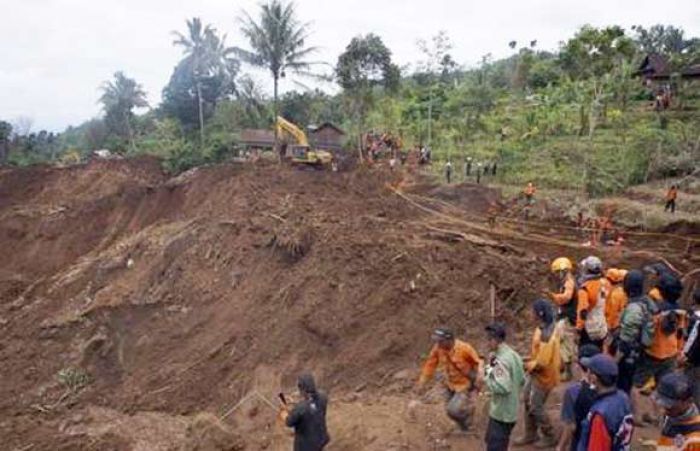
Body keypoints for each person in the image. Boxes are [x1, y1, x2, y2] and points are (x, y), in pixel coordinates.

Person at [515, 300, 561, 448]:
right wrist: (527, 360)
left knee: (536, 405)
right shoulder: (542, 328)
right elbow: (538, 355)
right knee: (528, 400)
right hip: (537, 373)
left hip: (543, 376)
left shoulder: (546, 335)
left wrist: (522, 365)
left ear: (539, 314)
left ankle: (550, 435)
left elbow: (542, 364)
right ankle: (530, 433)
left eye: (532, 311)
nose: (530, 313)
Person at [418, 328, 481, 431]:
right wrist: (423, 380)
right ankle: (463, 424)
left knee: (453, 410)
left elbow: (478, 363)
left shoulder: (464, 348)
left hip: (463, 384)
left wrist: (478, 384)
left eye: (440, 341)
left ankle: (468, 419)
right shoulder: (438, 348)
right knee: (450, 411)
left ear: (449, 340)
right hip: (449, 384)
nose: (438, 344)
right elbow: (430, 364)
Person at [576, 354, 634, 451]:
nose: (586, 374)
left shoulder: (601, 414)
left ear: (593, 378)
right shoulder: (623, 397)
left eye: (588, 372)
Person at [483, 323, 525, 451]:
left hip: (501, 413)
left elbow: (503, 388)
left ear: (496, 340)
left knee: (495, 446)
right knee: (491, 439)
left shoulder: (501, 359)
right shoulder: (513, 355)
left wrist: (485, 380)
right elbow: (522, 379)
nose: (487, 343)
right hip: (511, 410)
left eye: (489, 339)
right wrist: (489, 367)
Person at [557, 344, 601, 451]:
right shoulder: (608, 388)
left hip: (582, 443)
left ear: (578, 365)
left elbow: (570, 426)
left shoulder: (573, 392)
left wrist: (560, 447)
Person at [281, 373, 330, 451]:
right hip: (320, 440)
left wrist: (284, 413)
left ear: (302, 389)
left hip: (305, 447)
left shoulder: (300, 408)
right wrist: (297, 403)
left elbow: (289, 422)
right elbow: (312, 407)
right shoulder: (323, 397)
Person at [652, 372, 700, 450]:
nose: (665, 409)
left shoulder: (696, 437)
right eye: (664, 404)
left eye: (671, 406)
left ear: (689, 401)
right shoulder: (673, 416)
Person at [549, 257, 578, 381]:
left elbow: (566, 297)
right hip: (565, 316)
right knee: (560, 342)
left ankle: (567, 372)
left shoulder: (569, 283)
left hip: (567, 318)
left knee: (565, 344)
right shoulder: (568, 282)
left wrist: (554, 296)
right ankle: (561, 367)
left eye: (557, 272)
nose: (556, 275)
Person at [577, 256, 610, 349]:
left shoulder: (585, 289)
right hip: (602, 325)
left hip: (589, 328)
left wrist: (579, 328)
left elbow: (582, 311)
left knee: (586, 353)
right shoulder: (605, 283)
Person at [680, 289, 700, 407]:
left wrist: (685, 355)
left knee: (690, 384)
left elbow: (692, 339)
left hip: (694, 360)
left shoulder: (694, 319)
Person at [605, 268, 628, 354]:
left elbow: (613, 312)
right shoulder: (627, 292)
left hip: (614, 325)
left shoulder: (617, 293)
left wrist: (609, 325)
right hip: (622, 324)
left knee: (608, 345)